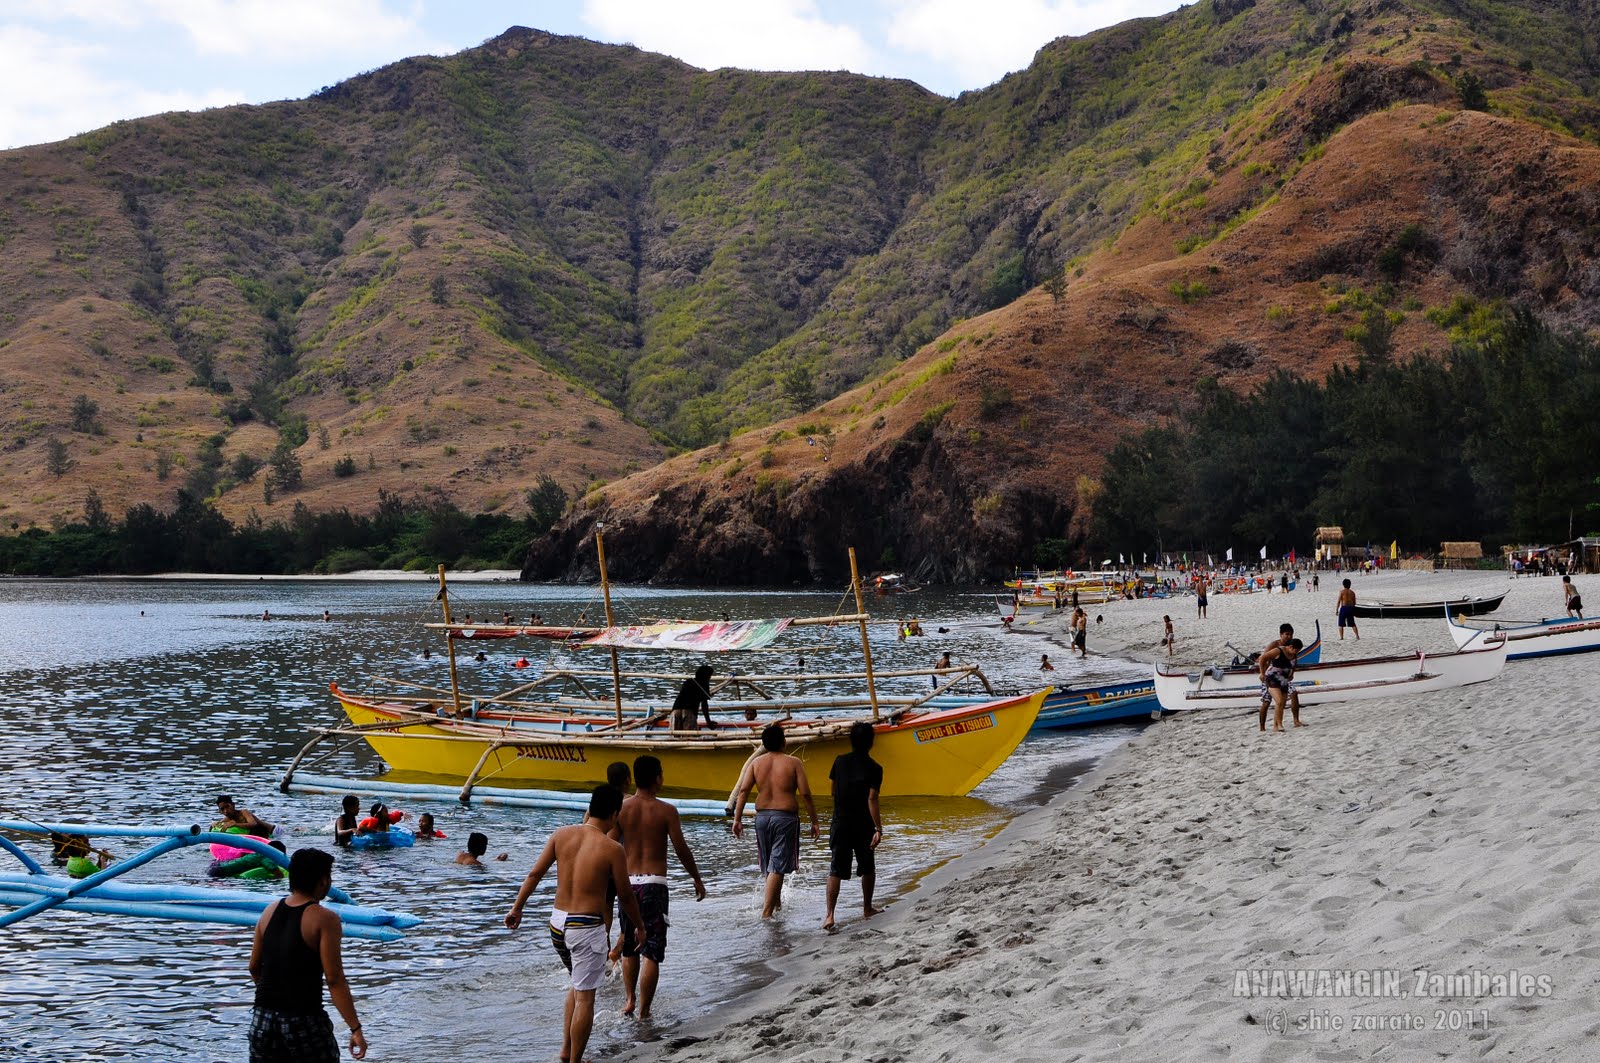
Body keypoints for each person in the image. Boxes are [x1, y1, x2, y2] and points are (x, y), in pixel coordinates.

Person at [505, 786, 644, 1063]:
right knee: (586, 998)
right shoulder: (612, 848)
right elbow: (626, 895)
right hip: (586, 926)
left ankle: (567, 1052)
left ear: (590, 808)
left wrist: (517, 908)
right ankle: (575, 1061)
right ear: (615, 814)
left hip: (557, 923)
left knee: (578, 986)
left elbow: (535, 874)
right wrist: (639, 925)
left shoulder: (561, 836)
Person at [248, 848, 367, 1062]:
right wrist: (355, 1029)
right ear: (322, 881)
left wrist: (274, 997)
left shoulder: (268, 912)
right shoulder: (325, 919)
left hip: (262, 1018)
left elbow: (254, 967)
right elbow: (334, 979)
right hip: (303, 1019)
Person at [614, 755, 707, 1019]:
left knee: (629, 944)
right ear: (657, 777)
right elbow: (681, 848)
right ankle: (644, 1010)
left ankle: (630, 1000)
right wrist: (696, 878)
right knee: (652, 950)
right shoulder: (667, 811)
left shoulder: (622, 808)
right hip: (654, 885)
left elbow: (608, 842)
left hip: (628, 883)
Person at [731, 724, 819, 919]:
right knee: (777, 866)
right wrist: (815, 821)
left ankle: (776, 908)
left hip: (761, 817)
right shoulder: (794, 762)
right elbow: (805, 793)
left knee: (770, 866)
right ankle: (767, 913)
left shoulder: (756, 763)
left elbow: (743, 791)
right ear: (783, 742)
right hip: (785, 818)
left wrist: (737, 819)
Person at [823, 721, 883, 932]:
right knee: (867, 866)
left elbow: (832, 789)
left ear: (851, 741)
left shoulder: (839, 762)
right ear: (871, 743)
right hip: (864, 823)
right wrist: (878, 828)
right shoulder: (875, 768)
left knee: (836, 868)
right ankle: (867, 908)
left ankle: (830, 915)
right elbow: (872, 799)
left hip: (840, 821)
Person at [1257, 625, 1297, 732]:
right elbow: (1263, 659)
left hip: (1283, 678)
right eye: (1286, 634)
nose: (1289, 637)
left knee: (1293, 694)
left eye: (1291, 634)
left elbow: (1294, 662)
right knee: (1266, 702)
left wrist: (1292, 673)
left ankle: (1295, 721)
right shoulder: (1274, 645)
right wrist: (1262, 674)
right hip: (1270, 677)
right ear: (1281, 635)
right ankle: (1262, 727)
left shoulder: (1293, 647)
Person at [671, 665, 717, 730]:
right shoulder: (704, 684)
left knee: (675, 734)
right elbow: (704, 705)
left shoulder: (688, 682)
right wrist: (708, 722)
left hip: (675, 710)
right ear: (706, 677)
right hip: (689, 712)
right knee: (689, 736)